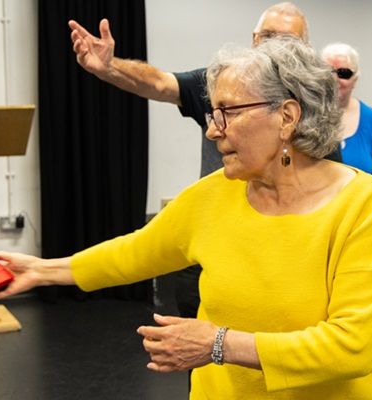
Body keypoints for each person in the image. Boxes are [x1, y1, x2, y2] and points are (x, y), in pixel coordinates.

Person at [0, 37, 372, 399]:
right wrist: (43, 270)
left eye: (228, 112)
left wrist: (218, 345)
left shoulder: (357, 200)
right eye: (213, 113)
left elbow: (354, 346)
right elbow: (136, 252)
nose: (214, 129)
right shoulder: (214, 194)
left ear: (286, 116)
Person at [68, 2, 340, 323]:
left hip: (280, 267)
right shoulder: (221, 83)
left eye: (287, 41)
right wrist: (110, 67)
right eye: (267, 36)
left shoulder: (316, 116)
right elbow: (158, 82)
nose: (216, 130)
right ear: (253, 38)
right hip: (211, 258)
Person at [321, 43, 372, 246]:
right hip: (318, 224)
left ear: (355, 79)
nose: (334, 78)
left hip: (362, 225)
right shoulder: (303, 117)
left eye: (343, 73)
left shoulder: (370, 118)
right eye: (328, 71)